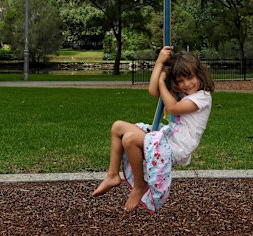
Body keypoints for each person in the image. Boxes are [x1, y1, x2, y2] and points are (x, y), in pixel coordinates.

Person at [92, 46, 215, 212]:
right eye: (180, 81)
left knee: (129, 139)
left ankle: (139, 185)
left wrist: (161, 82)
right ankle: (113, 175)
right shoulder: (183, 93)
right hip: (167, 137)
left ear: (199, 74)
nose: (186, 84)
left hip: (177, 147)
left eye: (190, 78)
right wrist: (159, 64)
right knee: (117, 127)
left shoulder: (203, 98)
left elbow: (172, 108)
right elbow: (152, 91)